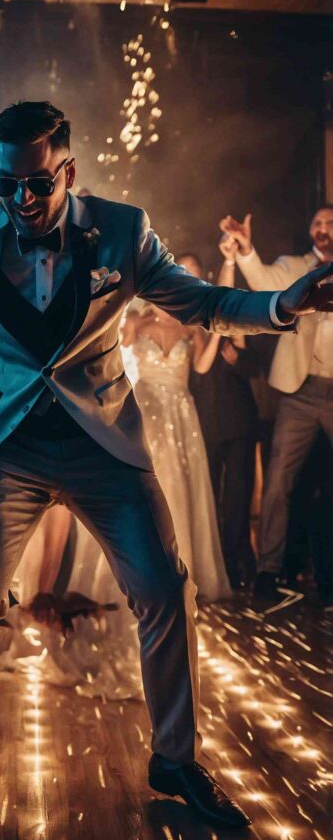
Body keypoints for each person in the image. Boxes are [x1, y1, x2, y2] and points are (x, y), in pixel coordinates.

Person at [0, 101, 333, 831]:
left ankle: (176, 760)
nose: (21, 200)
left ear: (69, 171)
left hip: (104, 444)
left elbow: (202, 303)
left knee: (164, 590)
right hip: (8, 447)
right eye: (6, 185)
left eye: (37, 185)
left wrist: (281, 304)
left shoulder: (122, 229)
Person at [220, 207, 333, 606]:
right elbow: (265, 283)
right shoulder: (298, 266)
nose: (322, 229)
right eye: (317, 223)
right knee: (278, 480)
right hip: (299, 391)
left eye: (330, 223)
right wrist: (247, 252)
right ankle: (268, 571)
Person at [121, 267, 231, 601]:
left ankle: (178, 572)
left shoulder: (190, 328)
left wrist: (220, 332)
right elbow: (116, 347)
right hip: (144, 408)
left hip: (181, 413)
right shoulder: (137, 321)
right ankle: (142, 573)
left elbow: (201, 366)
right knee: (149, 483)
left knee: (181, 487)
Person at [183, 245, 258, 589]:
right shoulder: (181, 316)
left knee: (238, 497)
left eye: (194, 270)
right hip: (198, 421)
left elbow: (251, 364)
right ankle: (215, 564)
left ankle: (239, 560)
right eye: (182, 271)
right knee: (207, 495)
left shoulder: (224, 307)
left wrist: (237, 358)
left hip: (237, 418)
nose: (190, 277)